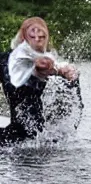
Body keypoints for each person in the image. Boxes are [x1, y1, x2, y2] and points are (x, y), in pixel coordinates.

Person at [0, 17, 81, 145]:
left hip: (39, 138)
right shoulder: (6, 60)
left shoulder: (50, 63)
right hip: (18, 137)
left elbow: (58, 69)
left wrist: (68, 73)